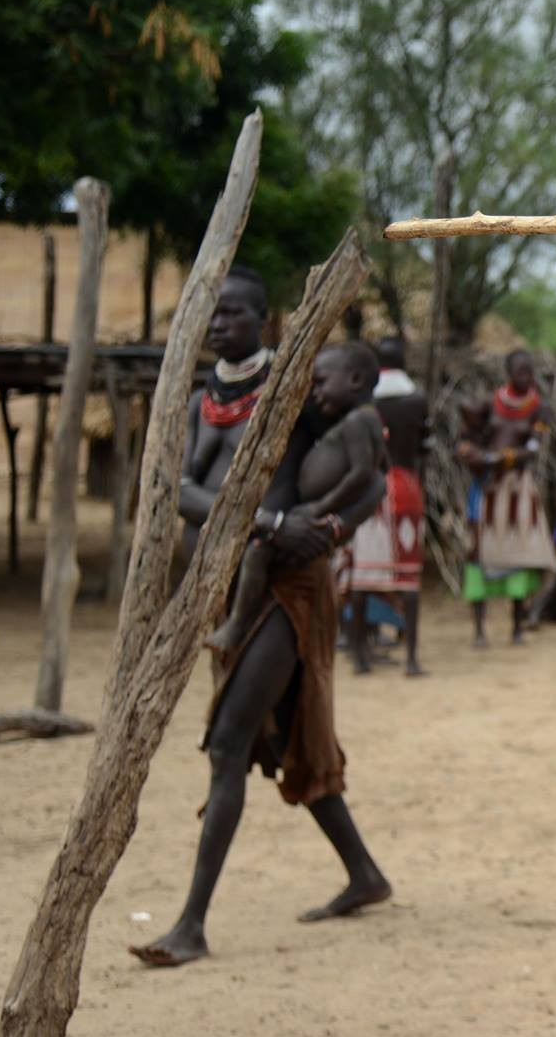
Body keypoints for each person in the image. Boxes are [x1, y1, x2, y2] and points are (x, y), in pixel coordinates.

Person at [131, 273, 391, 968]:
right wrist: (267, 518)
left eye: (236, 311)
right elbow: (181, 490)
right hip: (227, 589)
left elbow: (377, 473)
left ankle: (190, 924)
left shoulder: (294, 392)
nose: (221, 324)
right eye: (211, 314)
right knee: (278, 743)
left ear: (262, 317)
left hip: (287, 589)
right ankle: (365, 875)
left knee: (229, 743)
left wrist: (331, 529)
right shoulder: (197, 404)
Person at [210, 346, 386, 655]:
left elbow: (363, 476)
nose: (315, 393)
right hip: (305, 514)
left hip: (311, 515)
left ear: (355, 380)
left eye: (321, 382)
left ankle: (237, 625)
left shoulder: (360, 421)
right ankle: (238, 625)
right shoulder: (357, 420)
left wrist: (320, 508)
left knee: (258, 554)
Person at [345, 335, 429, 675]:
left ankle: (360, 657)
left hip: (368, 489)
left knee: (362, 576)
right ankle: (410, 659)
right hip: (406, 487)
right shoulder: (416, 400)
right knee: (407, 579)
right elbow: (424, 446)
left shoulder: (361, 403)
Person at [464, 351, 556, 646]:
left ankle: (517, 626)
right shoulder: (487, 405)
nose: (526, 376)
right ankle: (479, 629)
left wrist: (502, 458)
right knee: (478, 554)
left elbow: (533, 448)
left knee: (520, 554)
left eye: (530, 371)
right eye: (520, 370)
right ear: (508, 371)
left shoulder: (538, 410)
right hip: (487, 488)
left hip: (518, 490)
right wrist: (475, 456)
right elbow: (466, 440)